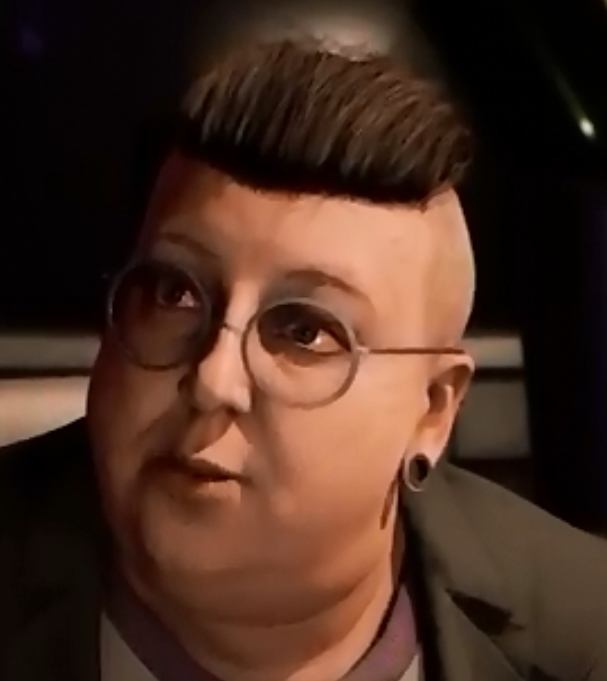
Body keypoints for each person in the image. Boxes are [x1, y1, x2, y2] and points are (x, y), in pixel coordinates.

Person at [1, 39, 606, 681]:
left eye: (304, 331)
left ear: (433, 410)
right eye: (176, 294)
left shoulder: (585, 634)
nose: (213, 380)